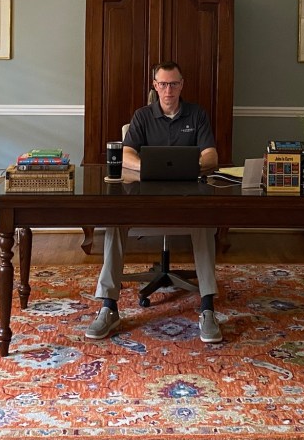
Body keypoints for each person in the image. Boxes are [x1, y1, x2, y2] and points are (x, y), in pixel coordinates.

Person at [85, 60, 222, 344]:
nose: (168, 90)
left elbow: (211, 157)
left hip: (187, 198)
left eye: (173, 83)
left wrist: (190, 168)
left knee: (205, 222)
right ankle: (108, 307)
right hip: (144, 197)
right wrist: (151, 166)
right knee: (115, 225)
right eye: (162, 84)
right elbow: (126, 155)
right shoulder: (142, 116)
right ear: (155, 86)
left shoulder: (197, 115)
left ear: (181, 85)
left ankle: (208, 307)